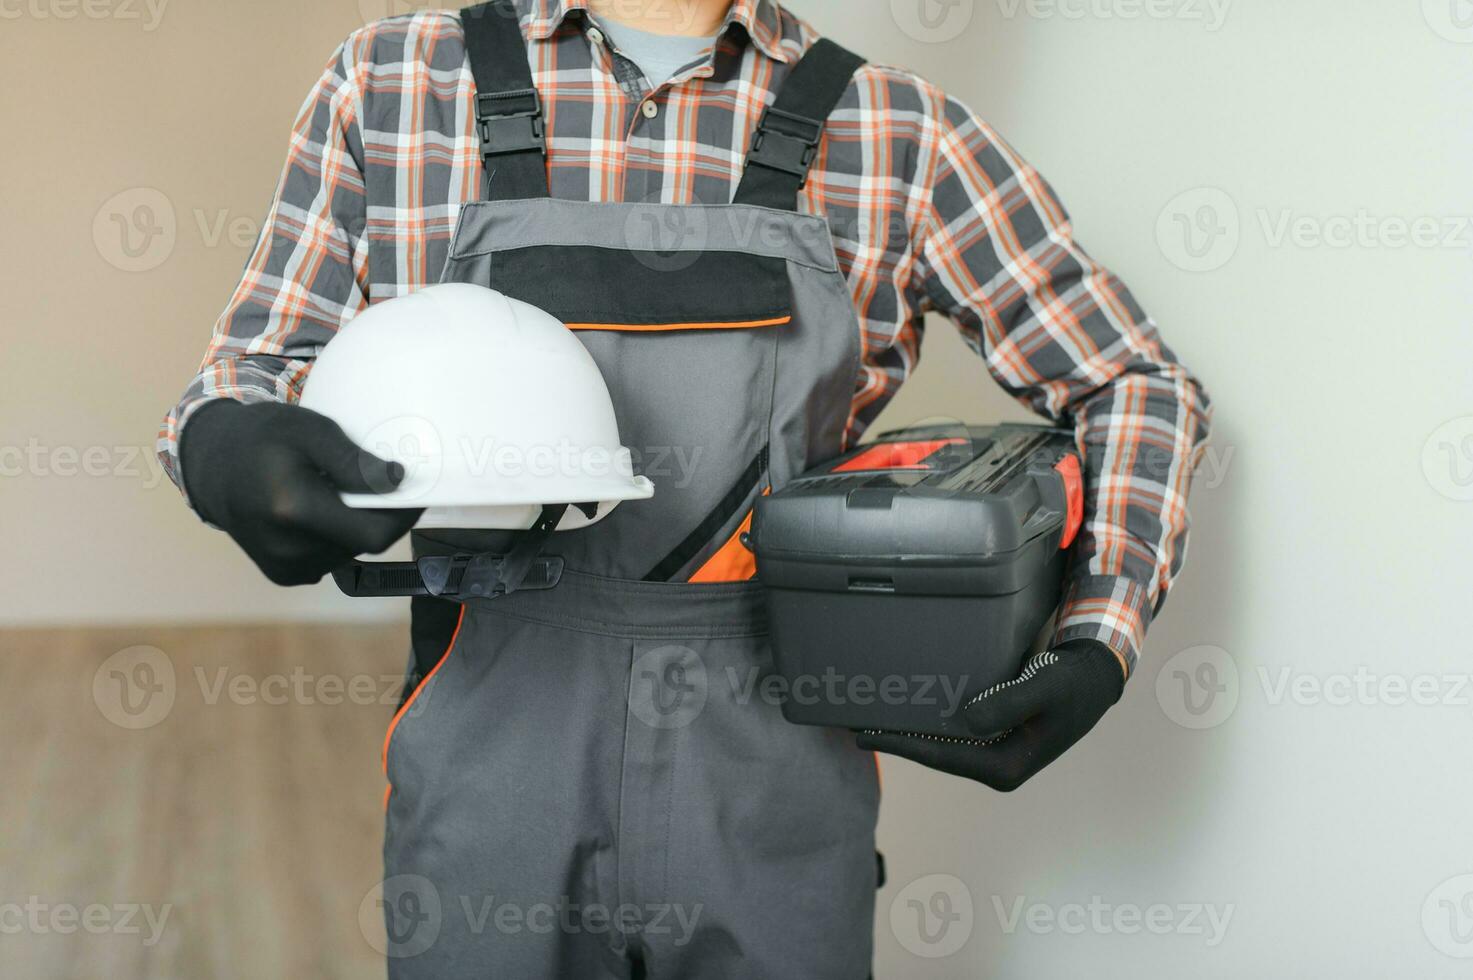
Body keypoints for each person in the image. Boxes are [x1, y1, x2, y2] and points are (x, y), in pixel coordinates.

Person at [158, 1, 1211, 976]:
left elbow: (1131, 379)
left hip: (773, 759)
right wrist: (226, 443)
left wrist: (1095, 633)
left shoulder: (897, 129)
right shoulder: (396, 83)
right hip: (493, 742)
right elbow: (247, 370)